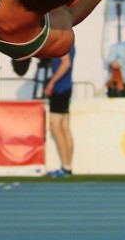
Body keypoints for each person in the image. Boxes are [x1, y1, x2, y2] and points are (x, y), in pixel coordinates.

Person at [46, 45, 75, 178]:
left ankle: (65, 166)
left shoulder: (61, 43)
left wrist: (52, 82)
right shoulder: (69, 42)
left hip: (60, 88)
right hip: (66, 87)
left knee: (55, 126)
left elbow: (66, 63)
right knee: (64, 127)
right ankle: (67, 166)